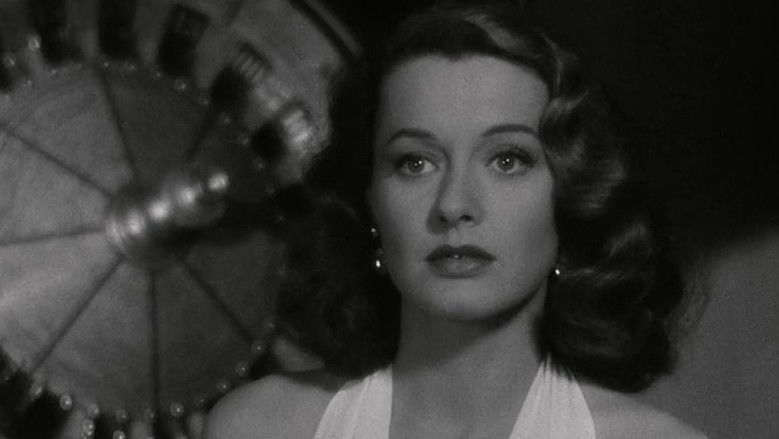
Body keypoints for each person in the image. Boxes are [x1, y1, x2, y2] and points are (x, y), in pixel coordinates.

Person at [205, 2, 708, 438]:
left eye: (507, 160)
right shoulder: (260, 427)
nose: (453, 204)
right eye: (415, 163)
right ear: (368, 202)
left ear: (570, 198)